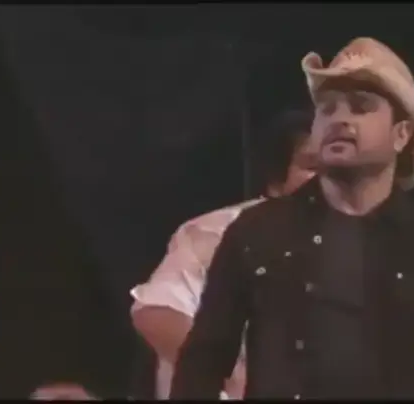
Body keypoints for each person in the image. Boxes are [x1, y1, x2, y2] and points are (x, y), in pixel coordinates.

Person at [171, 37, 414, 400]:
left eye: (360, 107)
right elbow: (201, 364)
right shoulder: (256, 232)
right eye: (327, 109)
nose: (339, 119)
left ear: (401, 135)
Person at [129, 108, 317, 400]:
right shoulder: (219, 232)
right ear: (276, 183)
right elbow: (156, 314)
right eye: (313, 165)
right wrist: (228, 375)